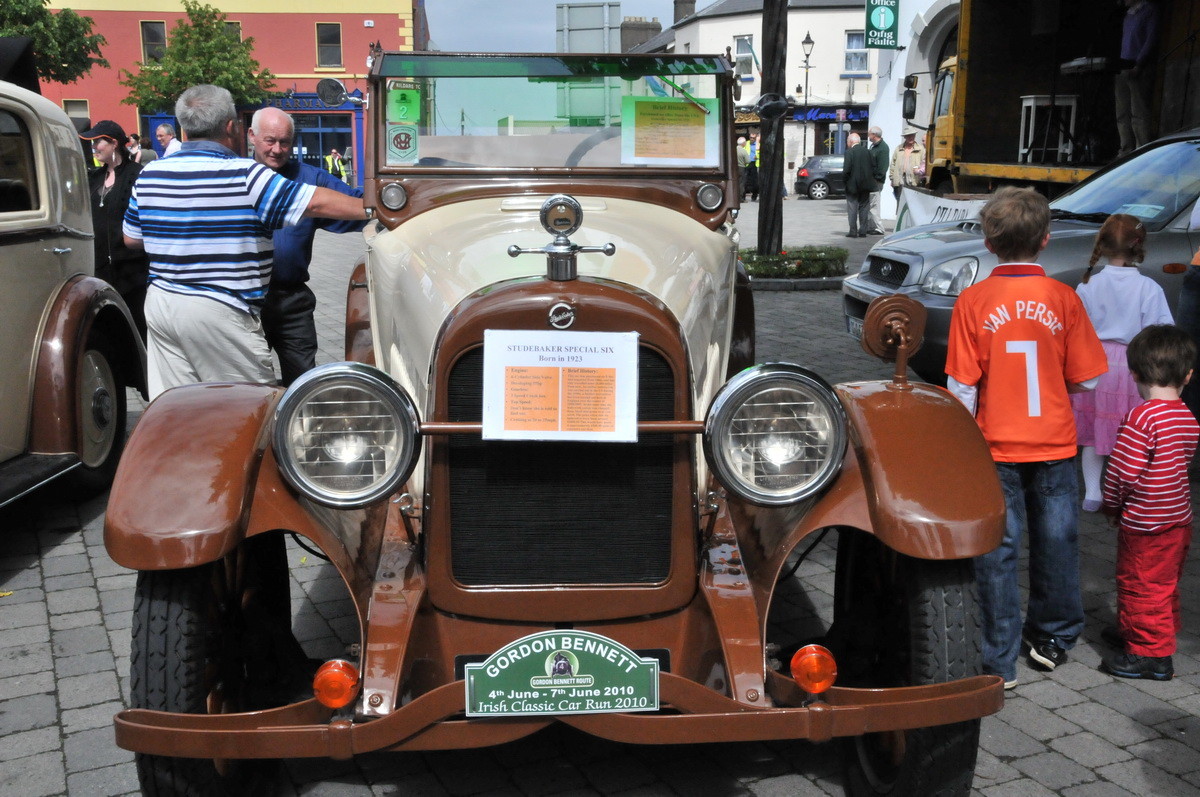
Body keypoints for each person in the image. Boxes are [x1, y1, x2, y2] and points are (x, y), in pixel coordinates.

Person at [945, 187, 1107, 689]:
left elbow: (961, 387)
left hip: (995, 445)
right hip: (1056, 442)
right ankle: (1053, 636)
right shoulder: (1064, 298)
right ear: (1046, 240)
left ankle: (998, 658)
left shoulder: (973, 301)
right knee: (1057, 540)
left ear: (989, 245)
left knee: (998, 548)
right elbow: (1089, 379)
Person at [123, 84, 372, 399]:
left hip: (161, 305)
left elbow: (132, 238)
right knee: (247, 407)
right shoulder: (246, 175)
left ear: (182, 127)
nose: (277, 148)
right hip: (223, 307)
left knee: (177, 405)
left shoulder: (150, 175)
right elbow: (317, 204)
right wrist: (382, 206)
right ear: (233, 127)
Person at [1100, 324, 1198, 681]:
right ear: (1188, 374)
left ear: (1135, 373)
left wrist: (1111, 506)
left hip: (1146, 524)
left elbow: (1122, 473)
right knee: (1163, 583)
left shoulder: (1141, 418)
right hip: (1178, 521)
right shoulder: (1187, 417)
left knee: (1140, 585)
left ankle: (1149, 654)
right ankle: (1148, 632)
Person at [249, 107, 367, 386]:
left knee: (303, 384)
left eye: (285, 142)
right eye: (270, 141)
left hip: (292, 302)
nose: (277, 149)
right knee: (248, 386)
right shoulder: (233, 177)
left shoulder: (311, 179)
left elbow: (358, 204)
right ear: (252, 136)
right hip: (246, 304)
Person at [1071, 214, 1173, 513]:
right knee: (1130, 433)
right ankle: (1126, 492)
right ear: (1137, 244)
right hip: (1132, 365)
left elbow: (1077, 329)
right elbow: (1162, 329)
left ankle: (1093, 494)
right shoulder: (1149, 288)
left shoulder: (1087, 285)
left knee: (1093, 431)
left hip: (1094, 365)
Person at [81, 119, 150, 339]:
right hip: (102, 269)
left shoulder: (137, 174)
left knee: (137, 328)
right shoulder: (95, 177)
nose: (94, 147)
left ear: (113, 143)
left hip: (132, 271)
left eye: (98, 142)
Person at [1115, 0, 1159, 155]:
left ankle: (1142, 151)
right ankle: (1125, 150)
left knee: (1138, 112)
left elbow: (1150, 39)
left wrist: (1139, 64)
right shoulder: (1128, 16)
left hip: (1138, 66)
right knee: (1122, 112)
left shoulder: (1149, 10)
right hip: (1123, 66)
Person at [843, 132, 874, 238]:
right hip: (865, 185)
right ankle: (863, 231)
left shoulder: (849, 152)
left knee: (852, 208)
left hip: (852, 186)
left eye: (847, 141)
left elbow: (846, 170)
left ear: (851, 141)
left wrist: (845, 182)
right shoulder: (868, 152)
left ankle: (853, 231)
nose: (847, 143)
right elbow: (873, 167)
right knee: (864, 207)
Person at [888, 126, 926, 201]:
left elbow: (924, 163)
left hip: (914, 181)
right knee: (900, 203)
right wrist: (892, 179)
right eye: (908, 135)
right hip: (899, 180)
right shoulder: (898, 148)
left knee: (913, 203)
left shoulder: (921, 149)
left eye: (912, 135)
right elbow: (893, 164)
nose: (911, 137)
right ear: (905, 137)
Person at [866, 125, 889, 234]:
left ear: (874, 135)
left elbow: (883, 167)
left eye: (869, 134)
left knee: (874, 204)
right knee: (871, 204)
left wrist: (876, 179)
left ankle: (879, 228)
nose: (868, 136)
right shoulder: (873, 146)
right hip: (872, 180)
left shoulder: (883, 148)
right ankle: (871, 227)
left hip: (876, 181)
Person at [745, 133, 760, 201]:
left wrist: (757, 157)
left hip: (755, 163)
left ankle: (754, 196)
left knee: (755, 182)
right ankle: (743, 196)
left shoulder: (758, 145)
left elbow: (761, 154)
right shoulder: (746, 143)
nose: (752, 139)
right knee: (745, 180)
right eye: (751, 137)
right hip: (747, 163)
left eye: (753, 138)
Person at [736, 136, 750, 201]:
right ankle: (740, 198)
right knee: (741, 183)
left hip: (734, 168)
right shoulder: (743, 151)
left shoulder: (733, 150)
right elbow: (748, 161)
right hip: (741, 168)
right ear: (743, 143)